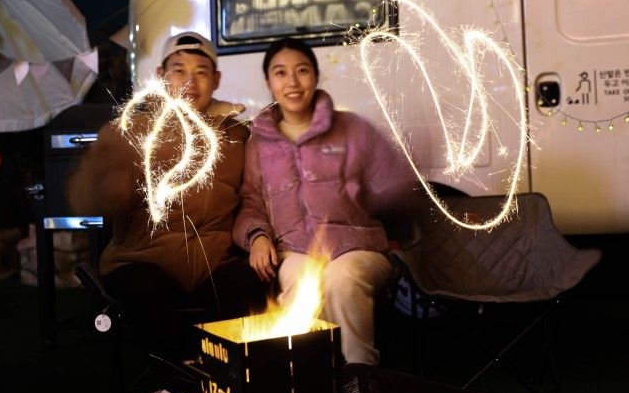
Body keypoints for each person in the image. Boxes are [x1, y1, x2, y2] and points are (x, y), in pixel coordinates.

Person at [68, 31, 266, 361]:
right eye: (178, 70)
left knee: (245, 286)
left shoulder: (236, 135)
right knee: (145, 291)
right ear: (160, 76)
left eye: (201, 72)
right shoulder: (130, 130)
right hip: (141, 258)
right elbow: (83, 196)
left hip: (211, 261)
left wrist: (259, 235)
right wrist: (107, 186)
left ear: (216, 79)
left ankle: (230, 378)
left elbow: (254, 197)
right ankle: (187, 378)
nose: (190, 81)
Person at [233, 37, 415, 365]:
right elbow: (251, 202)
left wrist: (369, 196)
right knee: (300, 280)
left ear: (316, 77)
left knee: (341, 278)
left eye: (302, 70)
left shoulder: (352, 129)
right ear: (268, 83)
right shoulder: (259, 144)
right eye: (280, 73)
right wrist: (257, 236)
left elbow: (398, 185)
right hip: (296, 251)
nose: (292, 81)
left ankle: (360, 378)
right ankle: (306, 382)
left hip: (357, 248)